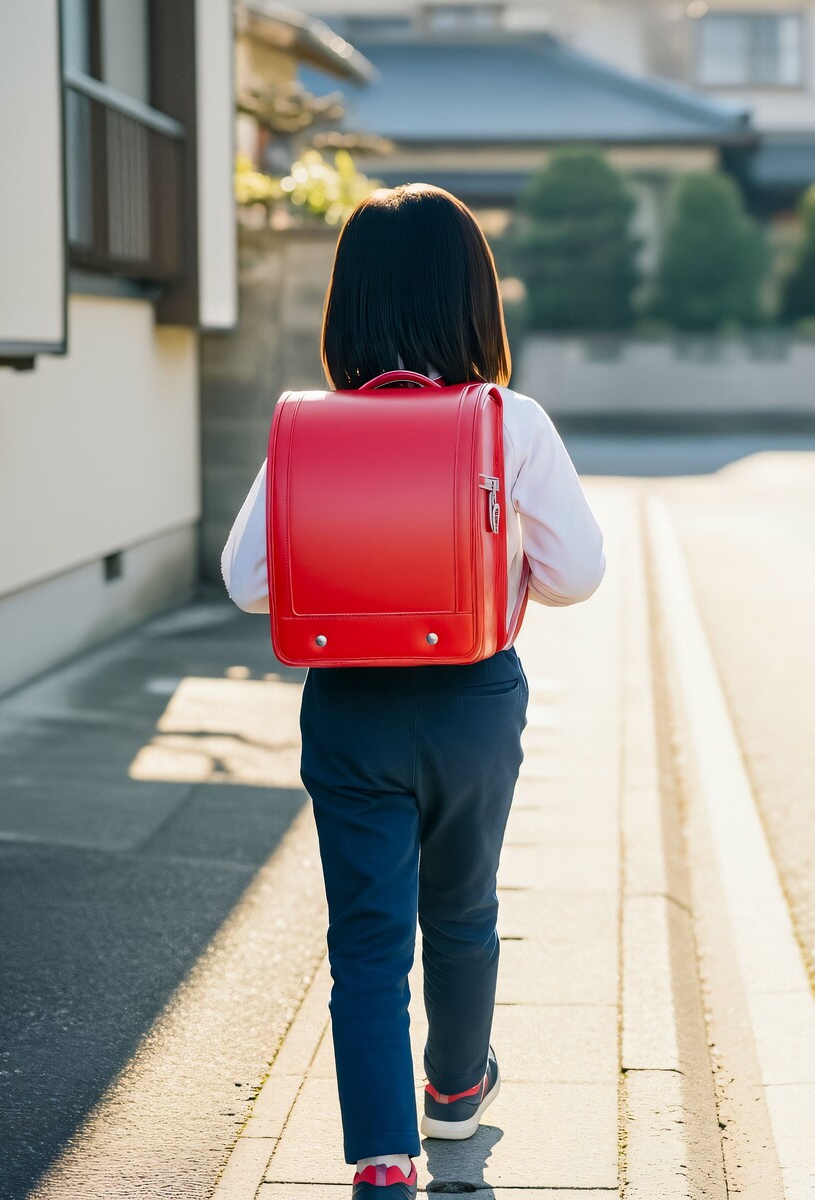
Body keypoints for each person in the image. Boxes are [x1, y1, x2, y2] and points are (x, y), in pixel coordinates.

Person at [220, 184, 605, 1199]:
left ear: (346, 308)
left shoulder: (312, 428)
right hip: (472, 701)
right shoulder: (507, 422)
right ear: (476, 301)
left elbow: (245, 578)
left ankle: (383, 1153)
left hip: (348, 705)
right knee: (464, 903)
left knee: (367, 937)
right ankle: (455, 1088)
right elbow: (578, 574)